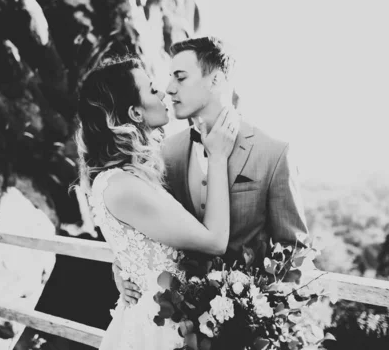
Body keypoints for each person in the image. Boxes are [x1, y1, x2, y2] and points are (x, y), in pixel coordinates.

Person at [115, 36, 310, 306]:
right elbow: (142, 226)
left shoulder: (273, 153)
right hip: (178, 325)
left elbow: (293, 252)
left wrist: (266, 317)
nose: (169, 89)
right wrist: (121, 269)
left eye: (180, 78)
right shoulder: (166, 152)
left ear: (216, 80)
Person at [75, 56, 239, 350]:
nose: (163, 92)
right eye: (152, 90)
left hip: (169, 317)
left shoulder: (127, 176)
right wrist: (217, 157)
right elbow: (214, 241)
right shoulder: (122, 185)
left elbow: (139, 241)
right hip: (160, 330)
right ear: (135, 112)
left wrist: (123, 267)